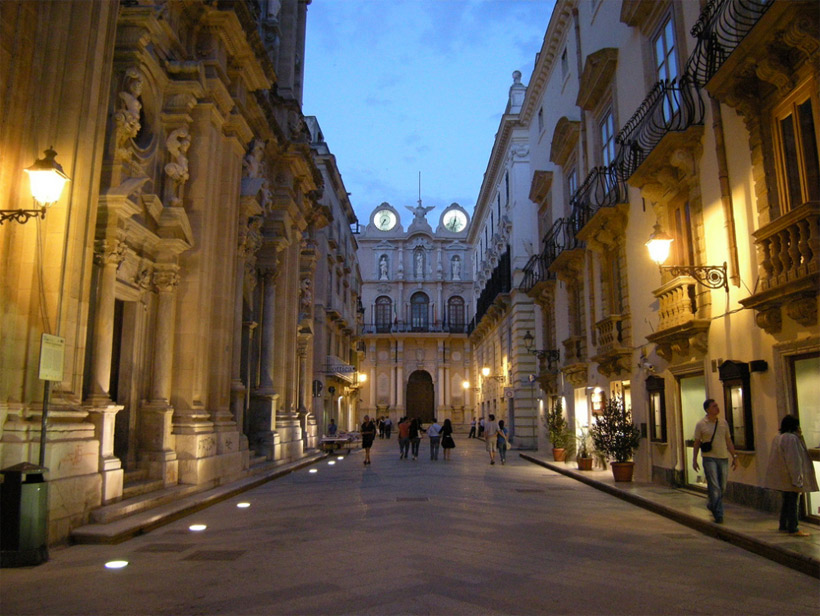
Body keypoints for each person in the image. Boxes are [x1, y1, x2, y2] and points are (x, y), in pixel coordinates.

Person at [764, 414, 818, 536]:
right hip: (790, 477)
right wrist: (797, 479)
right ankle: (793, 528)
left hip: (783, 477)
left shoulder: (778, 437)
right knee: (793, 502)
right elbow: (794, 460)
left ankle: (783, 525)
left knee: (786, 501)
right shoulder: (791, 439)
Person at [692, 399, 738, 523]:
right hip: (709, 458)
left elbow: (728, 441)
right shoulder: (701, 424)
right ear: (707, 409)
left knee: (722, 486)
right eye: (714, 406)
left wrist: (734, 456)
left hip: (723, 457)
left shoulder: (723, 423)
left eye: (717, 405)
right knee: (714, 486)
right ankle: (719, 514)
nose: (717, 408)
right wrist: (694, 459)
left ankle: (712, 504)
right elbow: (697, 443)